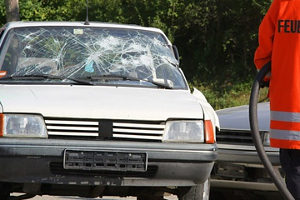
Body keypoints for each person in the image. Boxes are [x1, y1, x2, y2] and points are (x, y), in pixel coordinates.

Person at [254, 0, 300, 199]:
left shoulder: (283, 5)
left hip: (291, 119)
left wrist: (265, 73)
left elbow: (265, 48)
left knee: (296, 175)